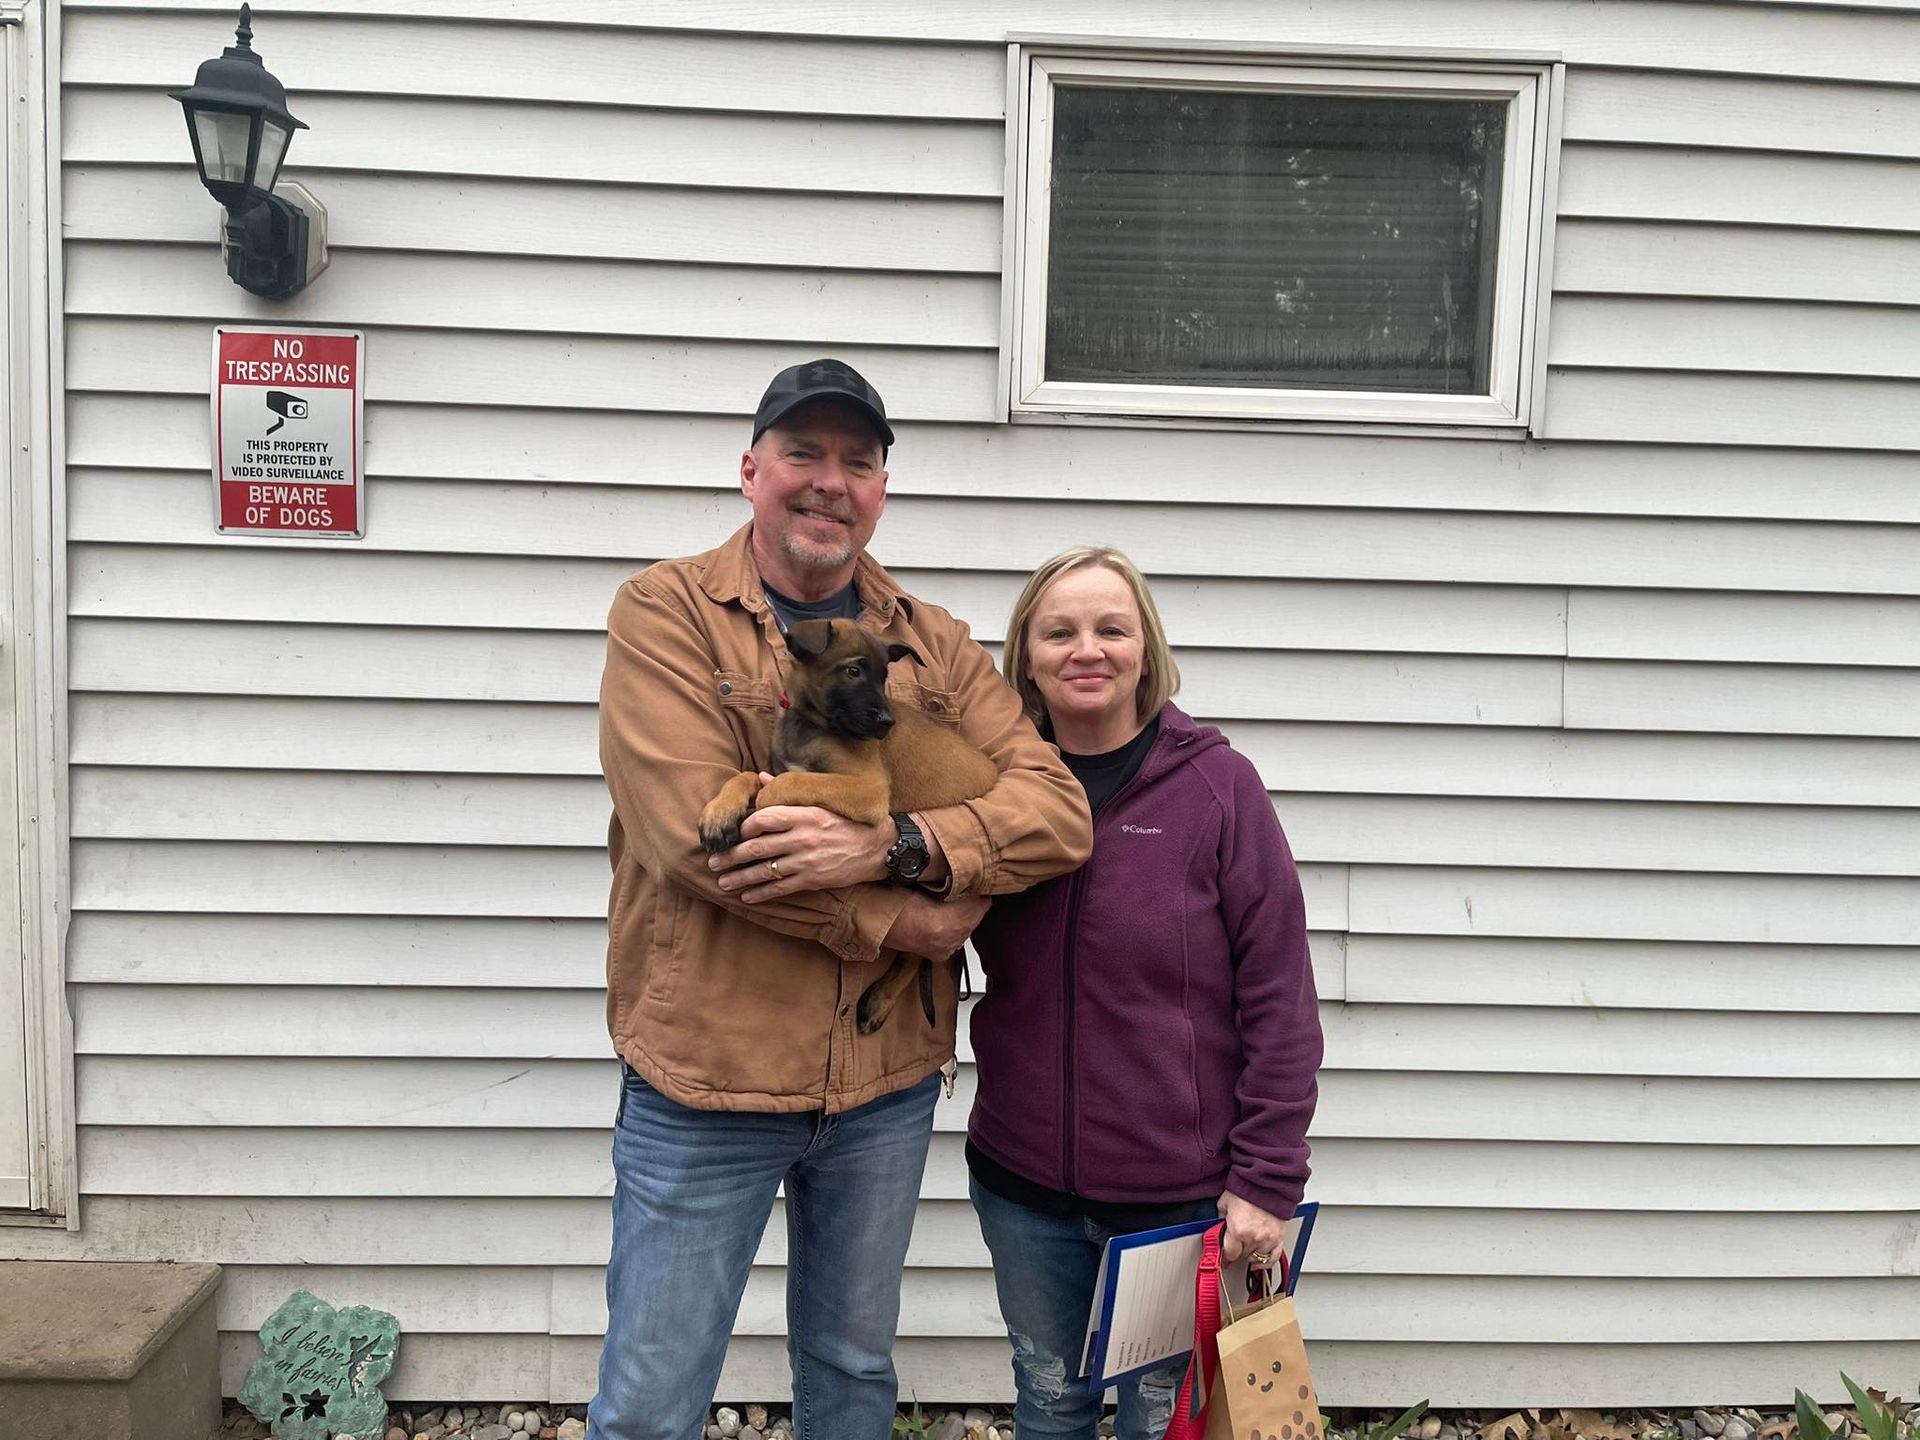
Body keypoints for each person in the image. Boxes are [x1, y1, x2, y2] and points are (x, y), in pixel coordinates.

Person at [589, 359, 1094, 1440]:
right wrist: (903, 919)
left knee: (854, 1373)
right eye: (803, 454)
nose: (829, 482)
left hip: (882, 1083)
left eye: (856, 463)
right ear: (752, 470)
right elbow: (695, 840)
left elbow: (1056, 810)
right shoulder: (664, 612)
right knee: (650, 1401)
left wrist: (910, 844)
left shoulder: (932, 639)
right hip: (707, 1076)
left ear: (879, 491)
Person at [965, 546, 1324, 1440]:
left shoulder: (1217, 790)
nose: (1086, 649)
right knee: (1050, 1404)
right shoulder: (994, 792)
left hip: (1180, 1203)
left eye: (1110, 628)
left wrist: (1267, 1179)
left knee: (1166, 1421)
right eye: (1060, 631)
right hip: (1023, 1188)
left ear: (1144, 647)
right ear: (1028, 656)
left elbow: (1281, 995)